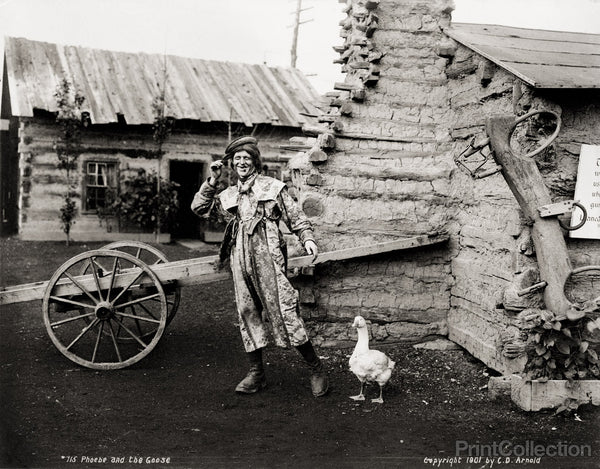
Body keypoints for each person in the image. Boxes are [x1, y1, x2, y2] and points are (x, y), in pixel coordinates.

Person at [191, 136, 328, 397]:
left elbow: (296, 218)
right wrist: (212, 180)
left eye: (247, 158)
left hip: (269, 260)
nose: (242, 163)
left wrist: (307, 239)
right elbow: (199, 208)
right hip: (239, 260)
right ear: (231, 163)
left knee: (284, 310)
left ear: (256, 162)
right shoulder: (228, 194)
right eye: (237, 159)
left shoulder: (273, 188)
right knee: (247, 312)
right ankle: (257, 374)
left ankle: (315, 368)